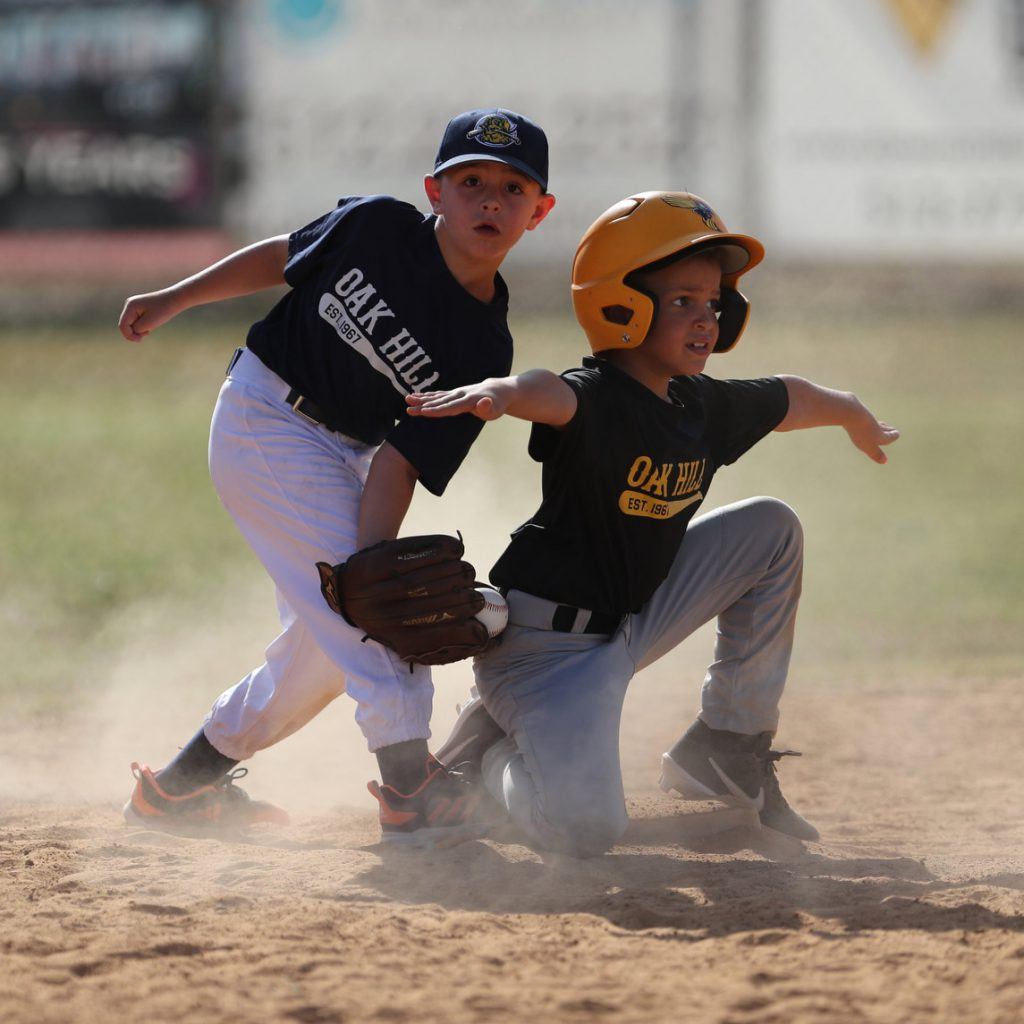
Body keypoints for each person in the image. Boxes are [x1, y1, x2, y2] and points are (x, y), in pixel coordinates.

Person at [408, 191, 900, 857]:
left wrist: (850, 410)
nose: (706, 319)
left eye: (713, 303)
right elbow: (545, 391)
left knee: (771, 530)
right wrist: (498, 393)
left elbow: (788, 396)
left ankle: (726, 746)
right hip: (547, 657)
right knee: (585, 831)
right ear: (621, 304)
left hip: (635, 617)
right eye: (683, 301)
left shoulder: (702, 403)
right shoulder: (597, 397)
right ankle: (484, 772)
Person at [116, 108, 556, 844]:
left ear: (538, 213)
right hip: (265, 416)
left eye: (512, 189)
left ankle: (180, 792)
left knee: (328, 646)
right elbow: (284, 257)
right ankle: (412, 789)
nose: (489, 200)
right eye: (470, 180)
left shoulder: (483, 340)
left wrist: (366, 568)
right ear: (434, 191)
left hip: (345, 453)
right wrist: (176, 297)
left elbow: (402, 458)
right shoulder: (378, 227)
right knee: (370, 621)